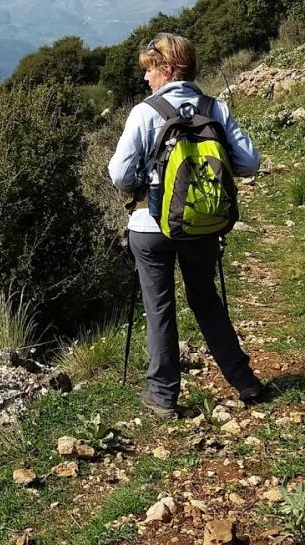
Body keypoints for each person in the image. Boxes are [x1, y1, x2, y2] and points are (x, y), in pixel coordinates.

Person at [108, 33, 263, 418]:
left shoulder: (146, 112)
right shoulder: (216, 108)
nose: (146, 79)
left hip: (152, 225)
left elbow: (119, 174)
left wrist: (142, 189)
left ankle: (162, 396)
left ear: (168, 68)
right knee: (206, 300)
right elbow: (249, 162)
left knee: (158, 307)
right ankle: (244, 381)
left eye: (150, 70)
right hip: (203, 224)